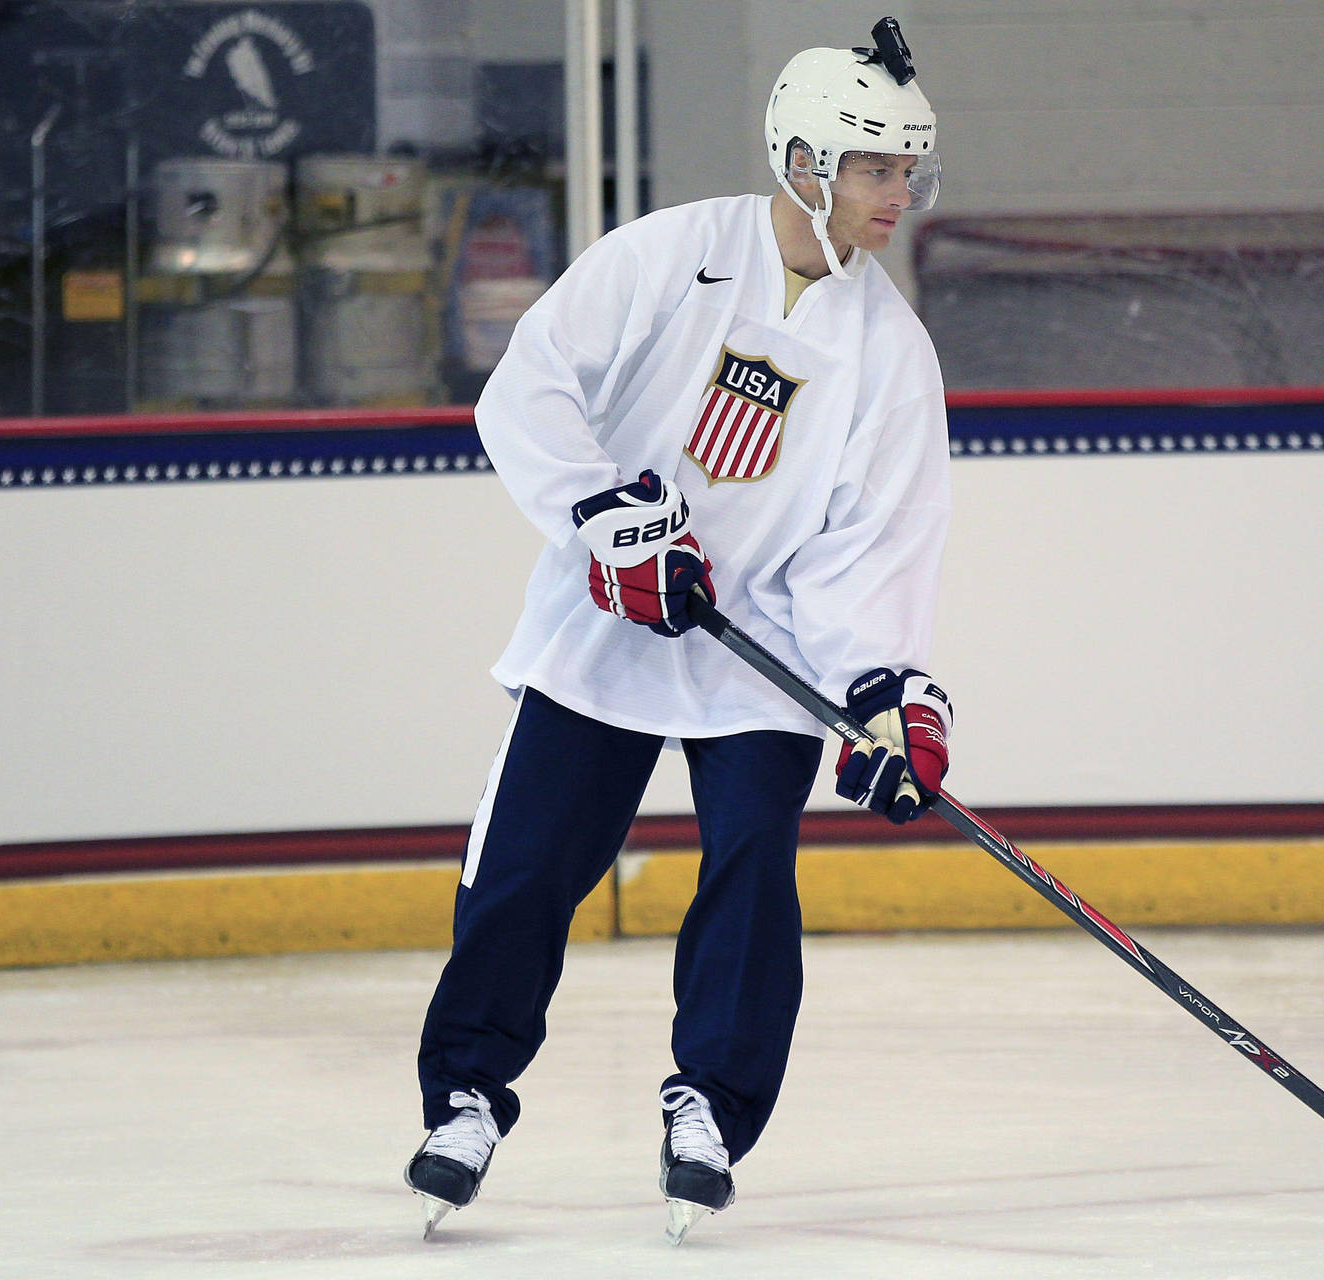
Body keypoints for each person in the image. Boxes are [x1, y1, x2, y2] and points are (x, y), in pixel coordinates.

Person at [402, 17, 955, 1247]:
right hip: (606, 626)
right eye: (875, 168)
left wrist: (883, 688)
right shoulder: (670, 255)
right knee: (529, 866)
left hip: (761, 656)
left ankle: (710, 1102)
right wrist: (609, 518)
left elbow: (874, 543)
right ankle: (467, 1097)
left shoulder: (890, 350)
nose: (898, 195)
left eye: (908, 171)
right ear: (804, 162)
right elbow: (528, 385)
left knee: (753, 868)